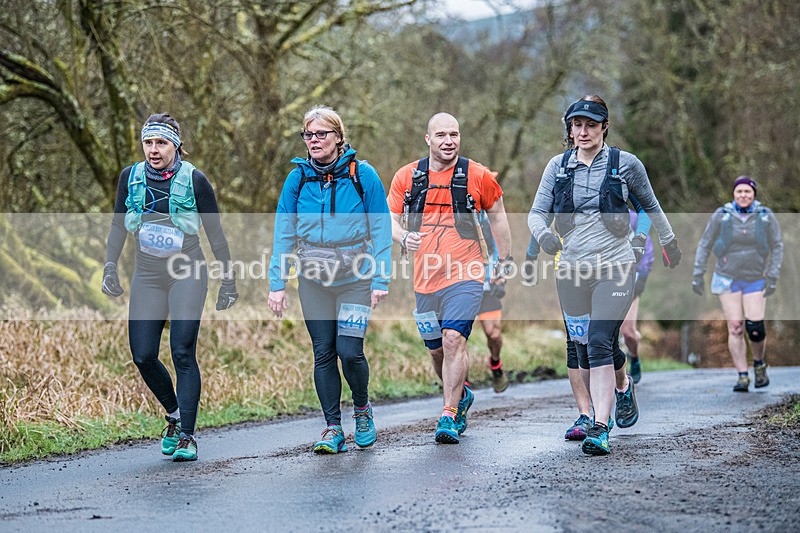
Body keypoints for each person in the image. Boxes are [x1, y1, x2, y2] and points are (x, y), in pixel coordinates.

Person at [528, 95, 682, 455]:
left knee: (598, 340)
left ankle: (599, 426)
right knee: (583, 344)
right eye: (577, 125)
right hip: (571, 269)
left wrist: (669, 242)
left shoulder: (626, 164)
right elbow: (536, 213)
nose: (583, 132)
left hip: (616, 267)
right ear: (569, 129)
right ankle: (623, 386)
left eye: (591, 125)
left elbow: (650, 206)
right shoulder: (557, 167)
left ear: (604, 127)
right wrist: (543, 236)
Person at [102, 113, 239, 462]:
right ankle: (175, 415)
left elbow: (216, 235)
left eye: (161, 143)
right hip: (148, 275)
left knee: (181, 352)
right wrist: (110, 266)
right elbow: (118, 226)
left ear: (176, 146)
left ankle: (187, 437)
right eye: (148, 142)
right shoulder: (130, 177)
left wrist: (228, 280)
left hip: (187, 272)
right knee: (143, 355)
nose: (153, 149)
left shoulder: (195, 180)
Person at [267, 105, 392, 454]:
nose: (314, 140)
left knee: (349, 351)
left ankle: (362, 410)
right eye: (309, 134)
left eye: (322, 133)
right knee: (323, 352)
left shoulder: (362, 175)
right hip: (313, 280)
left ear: (338, 137)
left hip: (355, 278)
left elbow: (381, 228)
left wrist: (381, 279)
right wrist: (277, 283)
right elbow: (283, 232)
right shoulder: (297, 179)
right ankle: (332, 428)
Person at [388, 112, 512, 444]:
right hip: (425, 277)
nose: (448, 141)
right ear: (428, 139)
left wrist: (504, 261)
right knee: (436, 351)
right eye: (441, 135)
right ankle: (461, 395)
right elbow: (388, 219)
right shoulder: (408, 176)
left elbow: (499, 218)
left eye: (454, 134)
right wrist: (403, 237)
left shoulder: (478, 175)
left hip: (467, 272)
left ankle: (448, 414)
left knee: (453, 338)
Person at [692, 176, 782, 392]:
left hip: (756, 278)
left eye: (747, 191)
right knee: (735, 327)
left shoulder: (765, 215)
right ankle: (742, 375)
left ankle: (759, 364)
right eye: (739, 191)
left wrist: (772, 275)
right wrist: (698, 273)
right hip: (727, 277)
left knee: (755, 328)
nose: (743, 195)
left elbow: (777, 245)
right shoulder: (722, 215)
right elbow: (705, 244)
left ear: (754, 194)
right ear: (733, 193)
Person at [621, 204, 655, 384]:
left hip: (632, 278)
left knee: (627, 332)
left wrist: (642, 277)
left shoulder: (633, 218)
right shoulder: (597, 216)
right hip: (605, 278)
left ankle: (634, 356)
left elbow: (647, 249)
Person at [477, 280, 510, 393]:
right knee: (457, 337)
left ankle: (496, 366)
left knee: (494, 335)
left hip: (487, 291)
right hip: (460, 290)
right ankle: (461, 381)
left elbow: (506, 267)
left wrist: (502, 281)